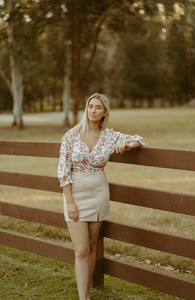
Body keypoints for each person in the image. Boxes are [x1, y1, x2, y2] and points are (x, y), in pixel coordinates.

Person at [58, 93, 145, 300]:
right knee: (81, 249)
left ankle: (86, 293)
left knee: (92, 246)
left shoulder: (109, 136)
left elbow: (139, 139)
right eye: (90, 107)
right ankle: (83, 298)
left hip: (98, 191)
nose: (93, 111)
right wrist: (69, 201)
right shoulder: (71, 135)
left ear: (105, 112)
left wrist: (127, 145)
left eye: (98, 107)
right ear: (86, 110)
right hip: (75, 193)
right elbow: (63, 170)